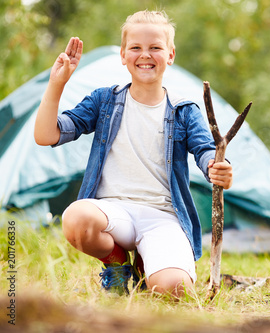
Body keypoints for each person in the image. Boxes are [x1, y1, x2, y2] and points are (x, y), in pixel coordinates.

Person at [34, 10, 233, 298]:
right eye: (136, 48)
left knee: (175, 291)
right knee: (76, 218)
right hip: (114, 212)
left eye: (155, 47)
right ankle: (115, 265)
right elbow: (46, 135)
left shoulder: (184, 110)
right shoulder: (105, 101)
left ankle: (145, 264)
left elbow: (206, 154)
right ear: (123, 55)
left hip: (164, 216)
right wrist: (57, 83)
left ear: (171, 54)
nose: (145, 55)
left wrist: (219, 168)